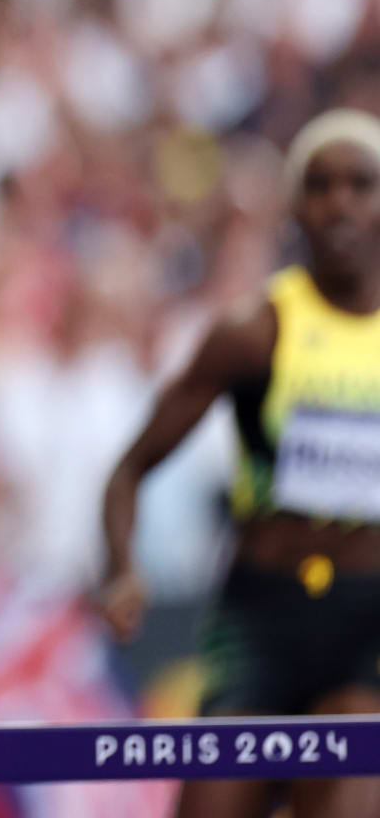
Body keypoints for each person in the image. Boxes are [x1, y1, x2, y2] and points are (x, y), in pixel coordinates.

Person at [100, 109, 380, 818]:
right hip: (261, 618)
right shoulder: (254, 332)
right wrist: (122, 567)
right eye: (320, 186)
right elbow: (130, 469)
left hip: (369, 622)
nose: (340, 204)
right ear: (296, 208)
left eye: (360, 185)